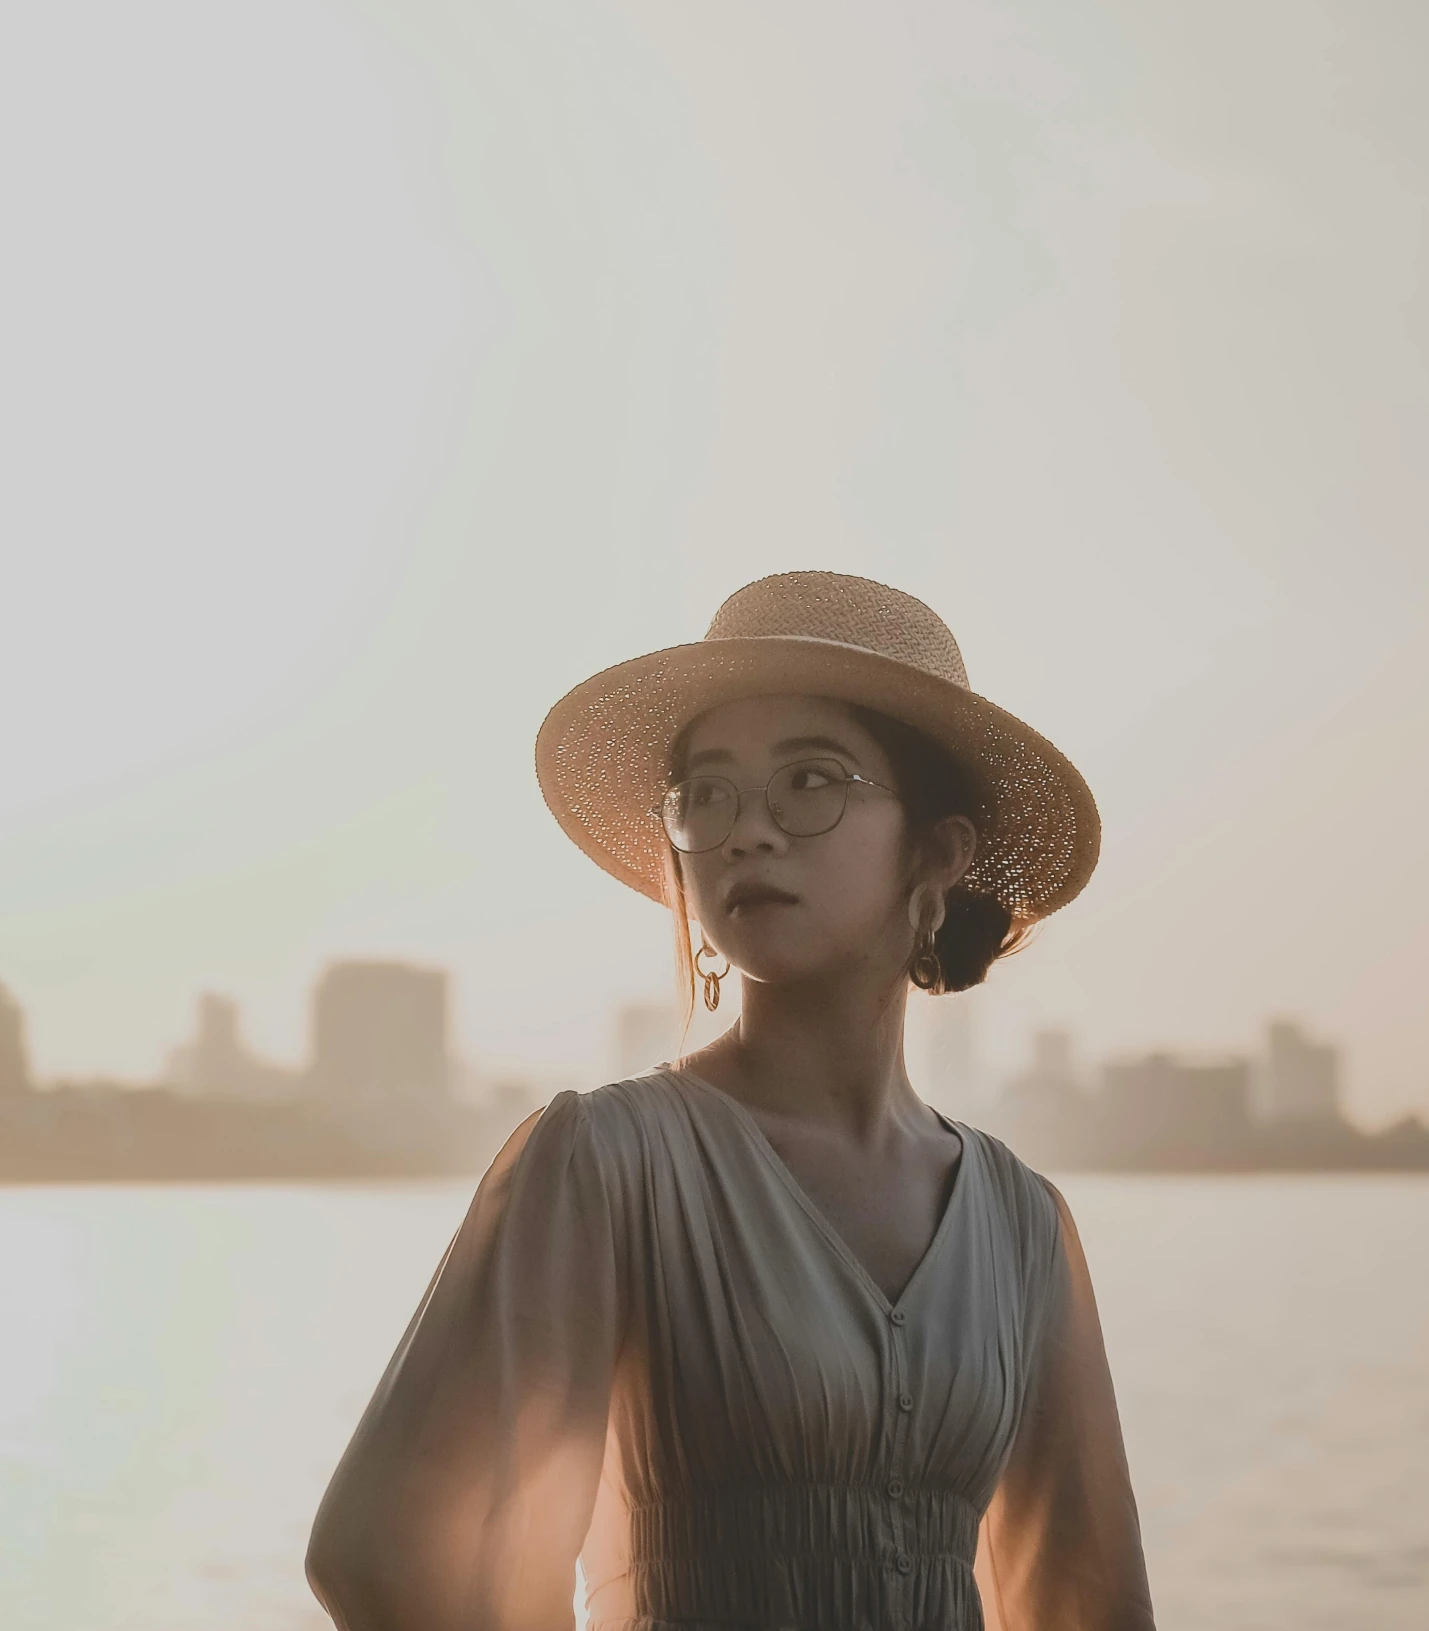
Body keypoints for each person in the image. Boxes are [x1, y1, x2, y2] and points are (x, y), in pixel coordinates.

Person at [307, 570, 1155, 1630]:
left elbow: (1087, 1601)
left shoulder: (1020, 1222)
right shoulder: (606, 1161)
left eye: (810, 780)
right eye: (707, 794)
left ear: (934, 852)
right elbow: (391, 1552)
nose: (747, 829)